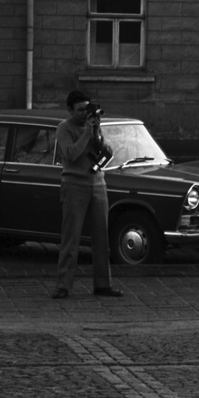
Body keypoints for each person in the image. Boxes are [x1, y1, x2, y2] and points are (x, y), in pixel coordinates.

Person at [51, 90, 123, 299]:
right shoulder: (64, 128)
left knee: (102, 238)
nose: (84, 114)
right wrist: (85, 133)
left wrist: (97, 134)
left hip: (98, 184)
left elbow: (108, 153)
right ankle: (63, 285)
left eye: (86, 109)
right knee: (71, 238)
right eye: (80, 110)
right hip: (74, 185)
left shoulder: (94, 126)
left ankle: (103, 284)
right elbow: (70, 154)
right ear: (70, 110)